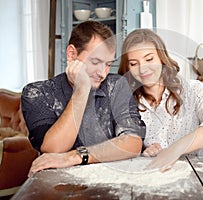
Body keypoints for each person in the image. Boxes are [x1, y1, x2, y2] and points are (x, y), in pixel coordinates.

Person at [21, 21, 146, 175]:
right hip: (58, 186)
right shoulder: (37, 92)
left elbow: (133, 143)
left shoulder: (116, 85)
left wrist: (76, 156)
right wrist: (81, 91)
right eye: (95, 62)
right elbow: (53, 150)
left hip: (112, 179)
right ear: (71, 54)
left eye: (108, 64)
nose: (102, 73)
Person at [118, 29, 203, 171]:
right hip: (153, 177)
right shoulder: (128, 102)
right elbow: (124, 147)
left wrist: (176, 149)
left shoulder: (193, 89)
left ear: (161, 58)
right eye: (134, 63)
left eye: (149, 59)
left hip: (196, 176)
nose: (143, 69)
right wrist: (143, 152)